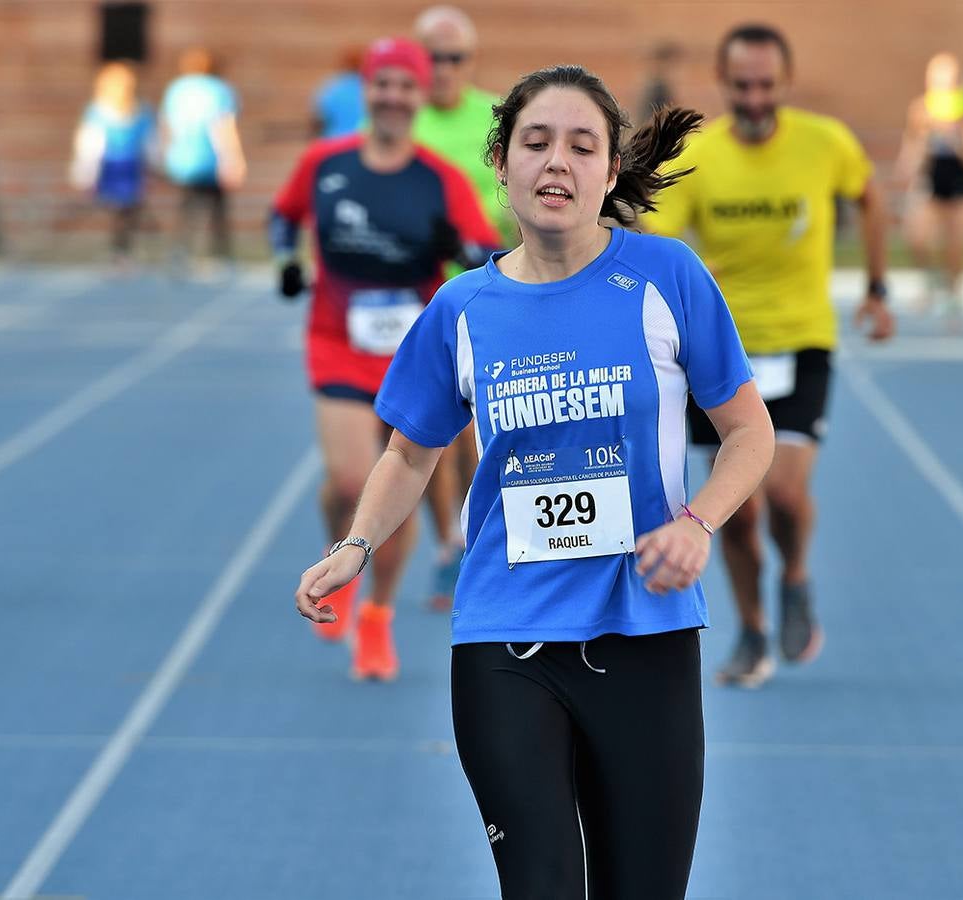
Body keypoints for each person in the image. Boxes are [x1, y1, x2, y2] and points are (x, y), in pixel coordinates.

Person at [295, 64, 774, 898]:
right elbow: (410, 452)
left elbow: (747, 432)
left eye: (582, 146)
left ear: (609, 171)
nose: (558, 162)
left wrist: (695, 524)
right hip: (506, 640)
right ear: (503, 164)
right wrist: (356, 544)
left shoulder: (666, 279)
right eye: (536, 143)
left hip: (645, 635)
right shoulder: (461, 310)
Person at [642, 23, 895, 688]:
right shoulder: (699, 157)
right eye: (740, 86)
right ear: (722, 85)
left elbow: (870, 198)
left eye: (764, 86)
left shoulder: (824, 143)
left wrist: (875, 289)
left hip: (801, 337)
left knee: (782, 494)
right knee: (736, 507)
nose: (753, 99)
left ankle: (796, 574)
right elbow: (661, 246)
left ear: (783, 83)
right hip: (721, 355)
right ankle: (752, 629)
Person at [272, 38, 500, 681]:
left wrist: (462, 247)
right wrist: (286, 262)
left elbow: (485, 251)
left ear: (420, 94)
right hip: (338, 340)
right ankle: (336, 548)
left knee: (394, 486)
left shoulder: (439, 177)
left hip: (415, 349)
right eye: (383, 84)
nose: (394, 96)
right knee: (349, 482)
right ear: (366, 92)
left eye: (406, 85)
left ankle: (375, 616)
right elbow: (282, 218)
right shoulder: (324, 163)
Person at [411, 5, 506, 610]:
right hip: (415, 302)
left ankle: (476, 539)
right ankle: (448, 544)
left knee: (477, 434)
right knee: (424, 434)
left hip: (485, 291)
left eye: (454, 58)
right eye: (431, 57)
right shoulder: (400, 121)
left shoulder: (496, 118)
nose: (442, 69)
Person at [894, 52, 963, 329]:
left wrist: (957, 139)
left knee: (956, 245)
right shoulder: (921, 109)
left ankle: (954, 297)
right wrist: (910, 163)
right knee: (916, 236)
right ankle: (929, 280)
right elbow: (911, 147)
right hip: (931, 182)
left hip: (961, 184)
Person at [160, 47, 245, 275]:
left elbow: (167, 124)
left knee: (186, 208)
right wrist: (234, 159)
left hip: (183, 157)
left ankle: (180, 251)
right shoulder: (220, 90)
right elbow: (224, 126)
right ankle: (221, 255)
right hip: (211, 157)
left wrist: (166, 153)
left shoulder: (177, 89)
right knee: (217, 208)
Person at [68, 61, 156, 268]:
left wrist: (85, 170)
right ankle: (122, 251)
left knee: (122, 210)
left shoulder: (101, 112)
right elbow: (150, 142)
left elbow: (90, 144)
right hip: (126, 166)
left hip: (115, 166)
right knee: (126, 210)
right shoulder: (138, 110)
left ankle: (119, 251)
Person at [313, 45, 365, 138]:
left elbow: (318, 120)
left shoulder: (331, 87)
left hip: (333, 143)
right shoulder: (368, 87)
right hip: (360, 142)